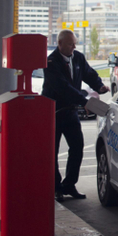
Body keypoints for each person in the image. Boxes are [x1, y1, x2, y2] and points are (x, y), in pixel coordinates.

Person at [42, 29, 108, 202]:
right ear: (60, 44)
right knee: (52, 152)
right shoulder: (50, 62)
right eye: (70, 44)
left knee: (77, 147)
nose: (74, 46)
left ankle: (69, 185)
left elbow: (88, 73)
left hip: (70, 112)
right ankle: (56, 188)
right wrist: (84, 101)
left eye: (75, 43)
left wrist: (99, 86)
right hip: (53, 112)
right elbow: (63, 88)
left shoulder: (78, 57)